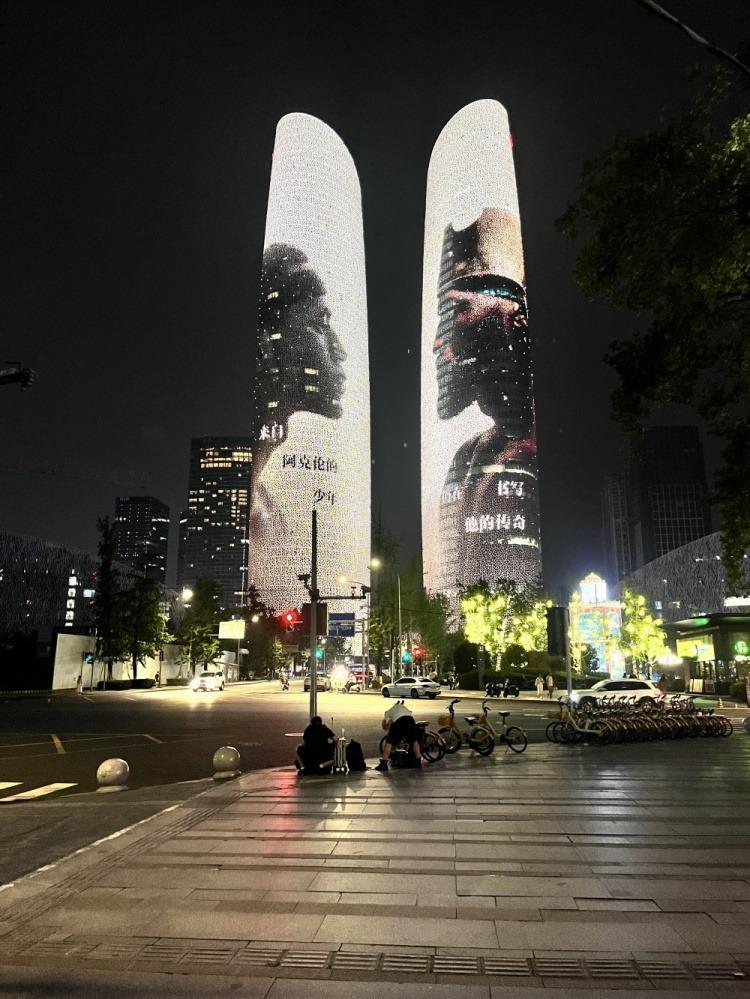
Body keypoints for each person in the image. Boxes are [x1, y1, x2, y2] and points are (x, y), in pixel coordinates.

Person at [375, 701, 422, 772]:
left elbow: (386, 725)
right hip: (410, 720)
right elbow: (410, 713)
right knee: (414, 740)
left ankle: (383, 764)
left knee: (389, 742)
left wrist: (390, 730)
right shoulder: (403, 707)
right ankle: (418, 762)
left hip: (399, 721)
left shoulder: (387, 712)